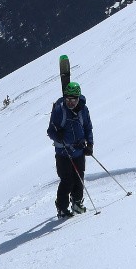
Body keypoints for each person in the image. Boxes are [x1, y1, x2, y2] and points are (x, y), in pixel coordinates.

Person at [47, 81, 93, 219]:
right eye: (68, 99)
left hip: (78, 150)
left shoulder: (83, 110)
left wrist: (89, 144)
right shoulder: (59, 110)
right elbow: (50, 131)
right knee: (67, 180)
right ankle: (62, 208)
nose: (71, 102)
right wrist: (58, 135)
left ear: (78, 98)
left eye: (73, 99)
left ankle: (77, 203)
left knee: (79, 177)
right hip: (63, 153)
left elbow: (88, 127)